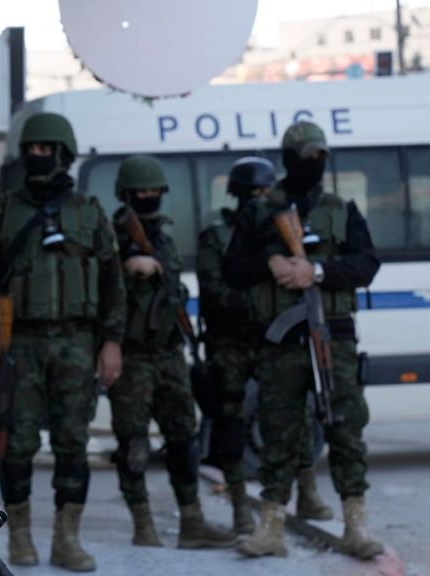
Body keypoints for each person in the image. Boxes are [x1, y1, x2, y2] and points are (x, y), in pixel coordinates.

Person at [0, 112, 125, 572]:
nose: (37, 157)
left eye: (45, 150)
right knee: (16, 443)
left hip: (78, 341)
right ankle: (18, 535)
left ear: (62, 154)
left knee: (73, 443)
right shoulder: (4, 209)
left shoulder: (90, 212)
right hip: (21, 344)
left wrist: (111, 342)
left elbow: (113, 281)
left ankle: (66, 539)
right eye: (31, 150)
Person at [223, 121, 384, 559]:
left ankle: (356, 524)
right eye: (306, 156)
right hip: (281, 341)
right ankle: (270, 527)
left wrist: (314, 272)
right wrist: (271, 260)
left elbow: (367, 264)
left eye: (320, 157)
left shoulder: (342, 210)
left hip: (333, 336)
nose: (313, 164)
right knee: (278, 433)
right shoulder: (259, 213)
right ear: (289, 159)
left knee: (346, 428)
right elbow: (231, 269)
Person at [195, 157, 334, 536]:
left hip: (274, 338)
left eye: (263, 193)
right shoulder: (218, 235)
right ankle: (241, 506)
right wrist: (259, 291)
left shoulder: (278, 228)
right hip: (231, 345)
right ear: (238, 196)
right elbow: (215, 289)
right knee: (232, 425)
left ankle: (306, 490)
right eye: (252, 194)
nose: (259, 199)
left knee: (297, 414)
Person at [108, 155, 236, 550]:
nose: (148, 198)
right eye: (140, 193)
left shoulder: (163, 238)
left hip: (168, 354)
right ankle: (143, 524)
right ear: (126, 196)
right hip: (132, 357)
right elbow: (101, 291)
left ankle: (192, 522)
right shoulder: (111, 239)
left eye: (153, 192)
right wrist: (127, 265)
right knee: (132, 445)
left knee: (183, 439)